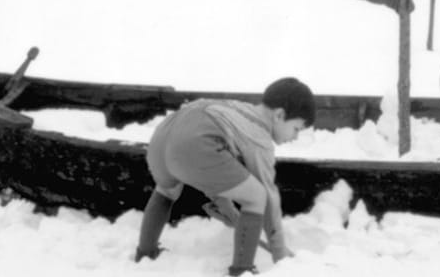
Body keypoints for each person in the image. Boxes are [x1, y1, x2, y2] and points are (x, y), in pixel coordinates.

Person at [135, 77, 316, 276]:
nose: (295, 137)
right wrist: (279, 249)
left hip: (162, 139)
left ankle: (145, 252)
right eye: (296, 129)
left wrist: (226, 206)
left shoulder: (238, 109)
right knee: (257, 197)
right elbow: (268, 198)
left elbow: (219, 165)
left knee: (166, 191)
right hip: (193, 145)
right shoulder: (259, 137)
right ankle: (242, 270)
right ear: (279, 115)